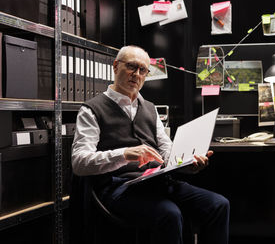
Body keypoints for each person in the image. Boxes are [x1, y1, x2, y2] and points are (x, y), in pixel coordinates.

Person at [71, 45, 230, 244]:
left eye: (143, 70)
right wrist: (125, 154)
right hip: (118, 189)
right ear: (115, 66)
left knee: (218, 204)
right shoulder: (91, 110)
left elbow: (167, 151)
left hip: (156, 182)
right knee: (169, 214)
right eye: (131, 66)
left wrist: (188, 163)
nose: (136, 74)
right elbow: (79, 162)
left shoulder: (150, 108)